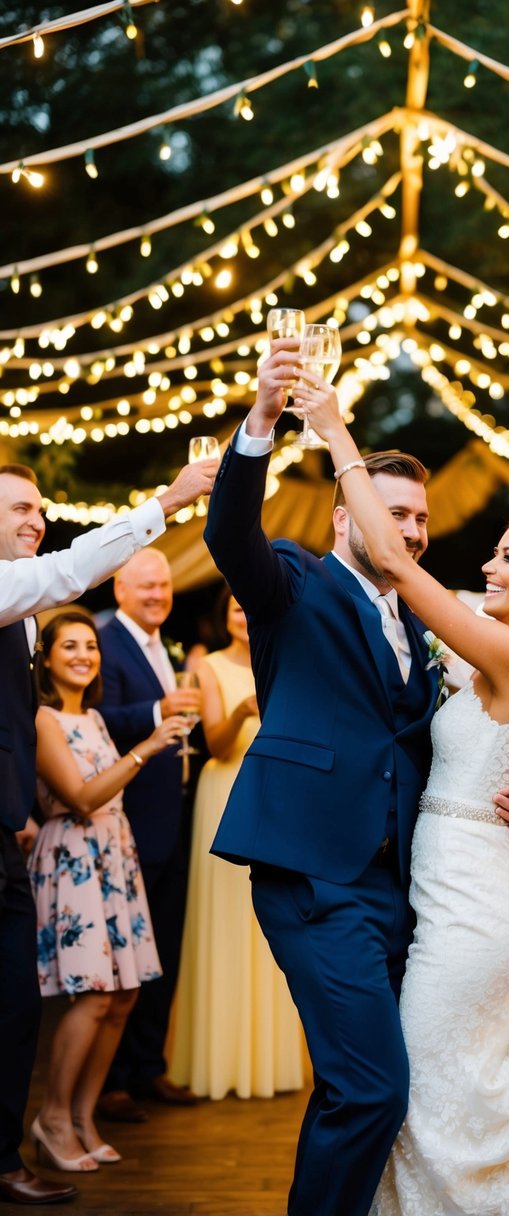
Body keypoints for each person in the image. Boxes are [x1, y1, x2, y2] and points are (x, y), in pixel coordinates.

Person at [203, 341, 509, 1216]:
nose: (414, 532)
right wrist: (262, 421)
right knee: (370, 1091)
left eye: (422, 519)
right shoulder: (292, 583)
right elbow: (226, 532)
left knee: (381, 1085)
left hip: (408, 885)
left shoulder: (430, 623)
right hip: (316, 874)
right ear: (347, 516)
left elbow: (470, 736)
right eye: (395, 513)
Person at [298, 368, 509, 1214]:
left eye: (507, 557)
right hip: (460, 880)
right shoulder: (504, 656)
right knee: (439, 1092)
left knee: (435, 1095)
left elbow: (398, 565)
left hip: (474, 905)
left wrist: (337, 436)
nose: (486, 562)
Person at [0, 457, 216, 1207]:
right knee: (41, 1000)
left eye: (40, 508)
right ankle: (43, 1130)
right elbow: (65, 576)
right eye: (22, 508)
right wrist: (170, 500)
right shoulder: (14, 592)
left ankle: (43, 1134)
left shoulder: (22, 617)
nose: (38, 519)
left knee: (41, 1002)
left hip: (29, 838)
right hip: (57, 846)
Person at [27, 612, 188, 1172]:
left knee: (124, 996)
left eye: (90, 646)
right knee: (94, 994)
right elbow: (80, 796)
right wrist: (148, 746)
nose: (83, 655)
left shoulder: (94, 717)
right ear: (46, 658)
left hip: (114, 858)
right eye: (69, 646)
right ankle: (50, 1117)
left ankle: (82, 1116)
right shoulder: (43, 718)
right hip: (75, 860)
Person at [169, 587, 305, 1099]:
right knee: (225, 922)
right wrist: (247, 707)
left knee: (272, 923)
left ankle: (269, 1063)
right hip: (224, 793)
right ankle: (220, 1060)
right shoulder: (207, 668)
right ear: (223, 617)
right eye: (235, 607)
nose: (244, 615)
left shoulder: (290, 659)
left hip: (277, 797)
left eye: (252, 605)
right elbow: (217, 744)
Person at [96, 549, 201, 1121]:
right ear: (120, 589)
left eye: (163, 586)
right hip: (132, 817)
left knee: (163, 948)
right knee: (126, 954)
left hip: (174, 812)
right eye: (146, 587)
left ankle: (148, 1068)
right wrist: (159, 708)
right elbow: (99, 719)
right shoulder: (107, 642)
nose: (158, 595)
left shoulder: (165, 644)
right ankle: (111, 1081)